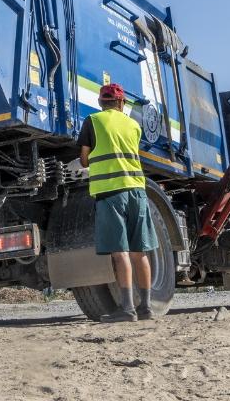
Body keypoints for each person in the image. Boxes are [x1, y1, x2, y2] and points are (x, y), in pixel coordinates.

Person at [78, 82, 159, 322]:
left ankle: (126, 309)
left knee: (120, 251)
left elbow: (84, 160)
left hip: (111, 192)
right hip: (136, 190)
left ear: (101, 103)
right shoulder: (134, 125)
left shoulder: (93, 121)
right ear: (122, 103)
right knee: (139, 251)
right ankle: (145, 308)